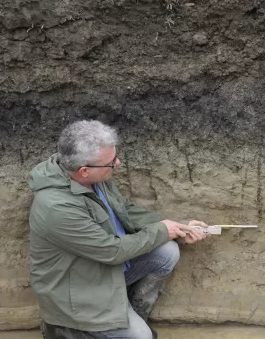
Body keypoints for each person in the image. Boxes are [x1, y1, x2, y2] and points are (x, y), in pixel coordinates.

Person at [27, 119, 208, 339]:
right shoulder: (56, 207)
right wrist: (162, 231)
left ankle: (128, 315)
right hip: (79, 294)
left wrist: (179, 227)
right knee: (142, 337)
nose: (118, 163)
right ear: (84, 170)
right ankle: (67, 330)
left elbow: (127, 212)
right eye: (112, 162)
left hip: (102, 272)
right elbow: (111, 251)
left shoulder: (90, 179)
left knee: (166, 252)